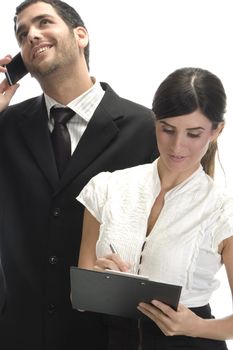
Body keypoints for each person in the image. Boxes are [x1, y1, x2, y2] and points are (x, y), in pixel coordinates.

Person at [0, 1, 158, 349]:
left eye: (43, 22)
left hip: (106, 336)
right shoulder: (5, 126)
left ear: (80, 35)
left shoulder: (146, 128)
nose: (32, 35)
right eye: (22, 33)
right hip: (18, 334)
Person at [77, 67, 233, 350]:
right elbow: (81, 301)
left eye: (193, 134)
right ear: (155, 122)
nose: (177, 145)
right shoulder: (107, 188)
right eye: (168, 129)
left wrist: (195, 326)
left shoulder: (224, 210)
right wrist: (99, 280)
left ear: (216, 131)